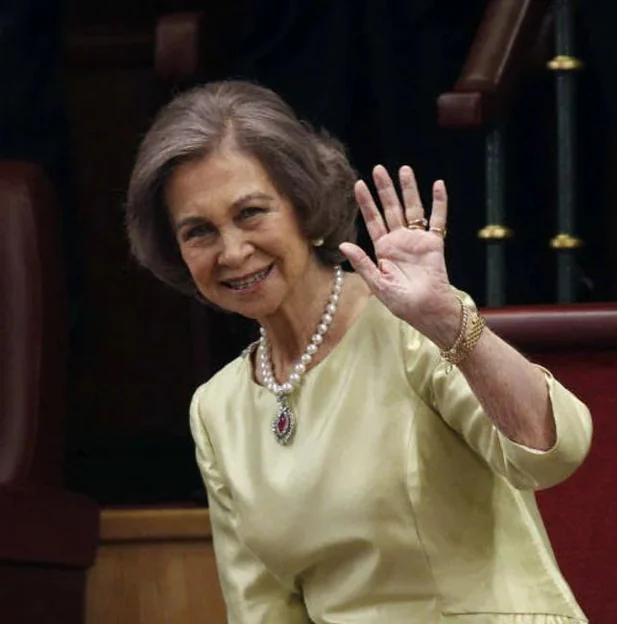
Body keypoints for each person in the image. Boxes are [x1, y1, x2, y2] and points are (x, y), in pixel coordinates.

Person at [125, 81, 592, 623]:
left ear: (302, 204)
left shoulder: (411, 324)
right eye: (199, 231)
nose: (232, 251)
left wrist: (447, 321)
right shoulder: (217, 408)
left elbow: (553, 453)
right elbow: (262, 612)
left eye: (251, 212)